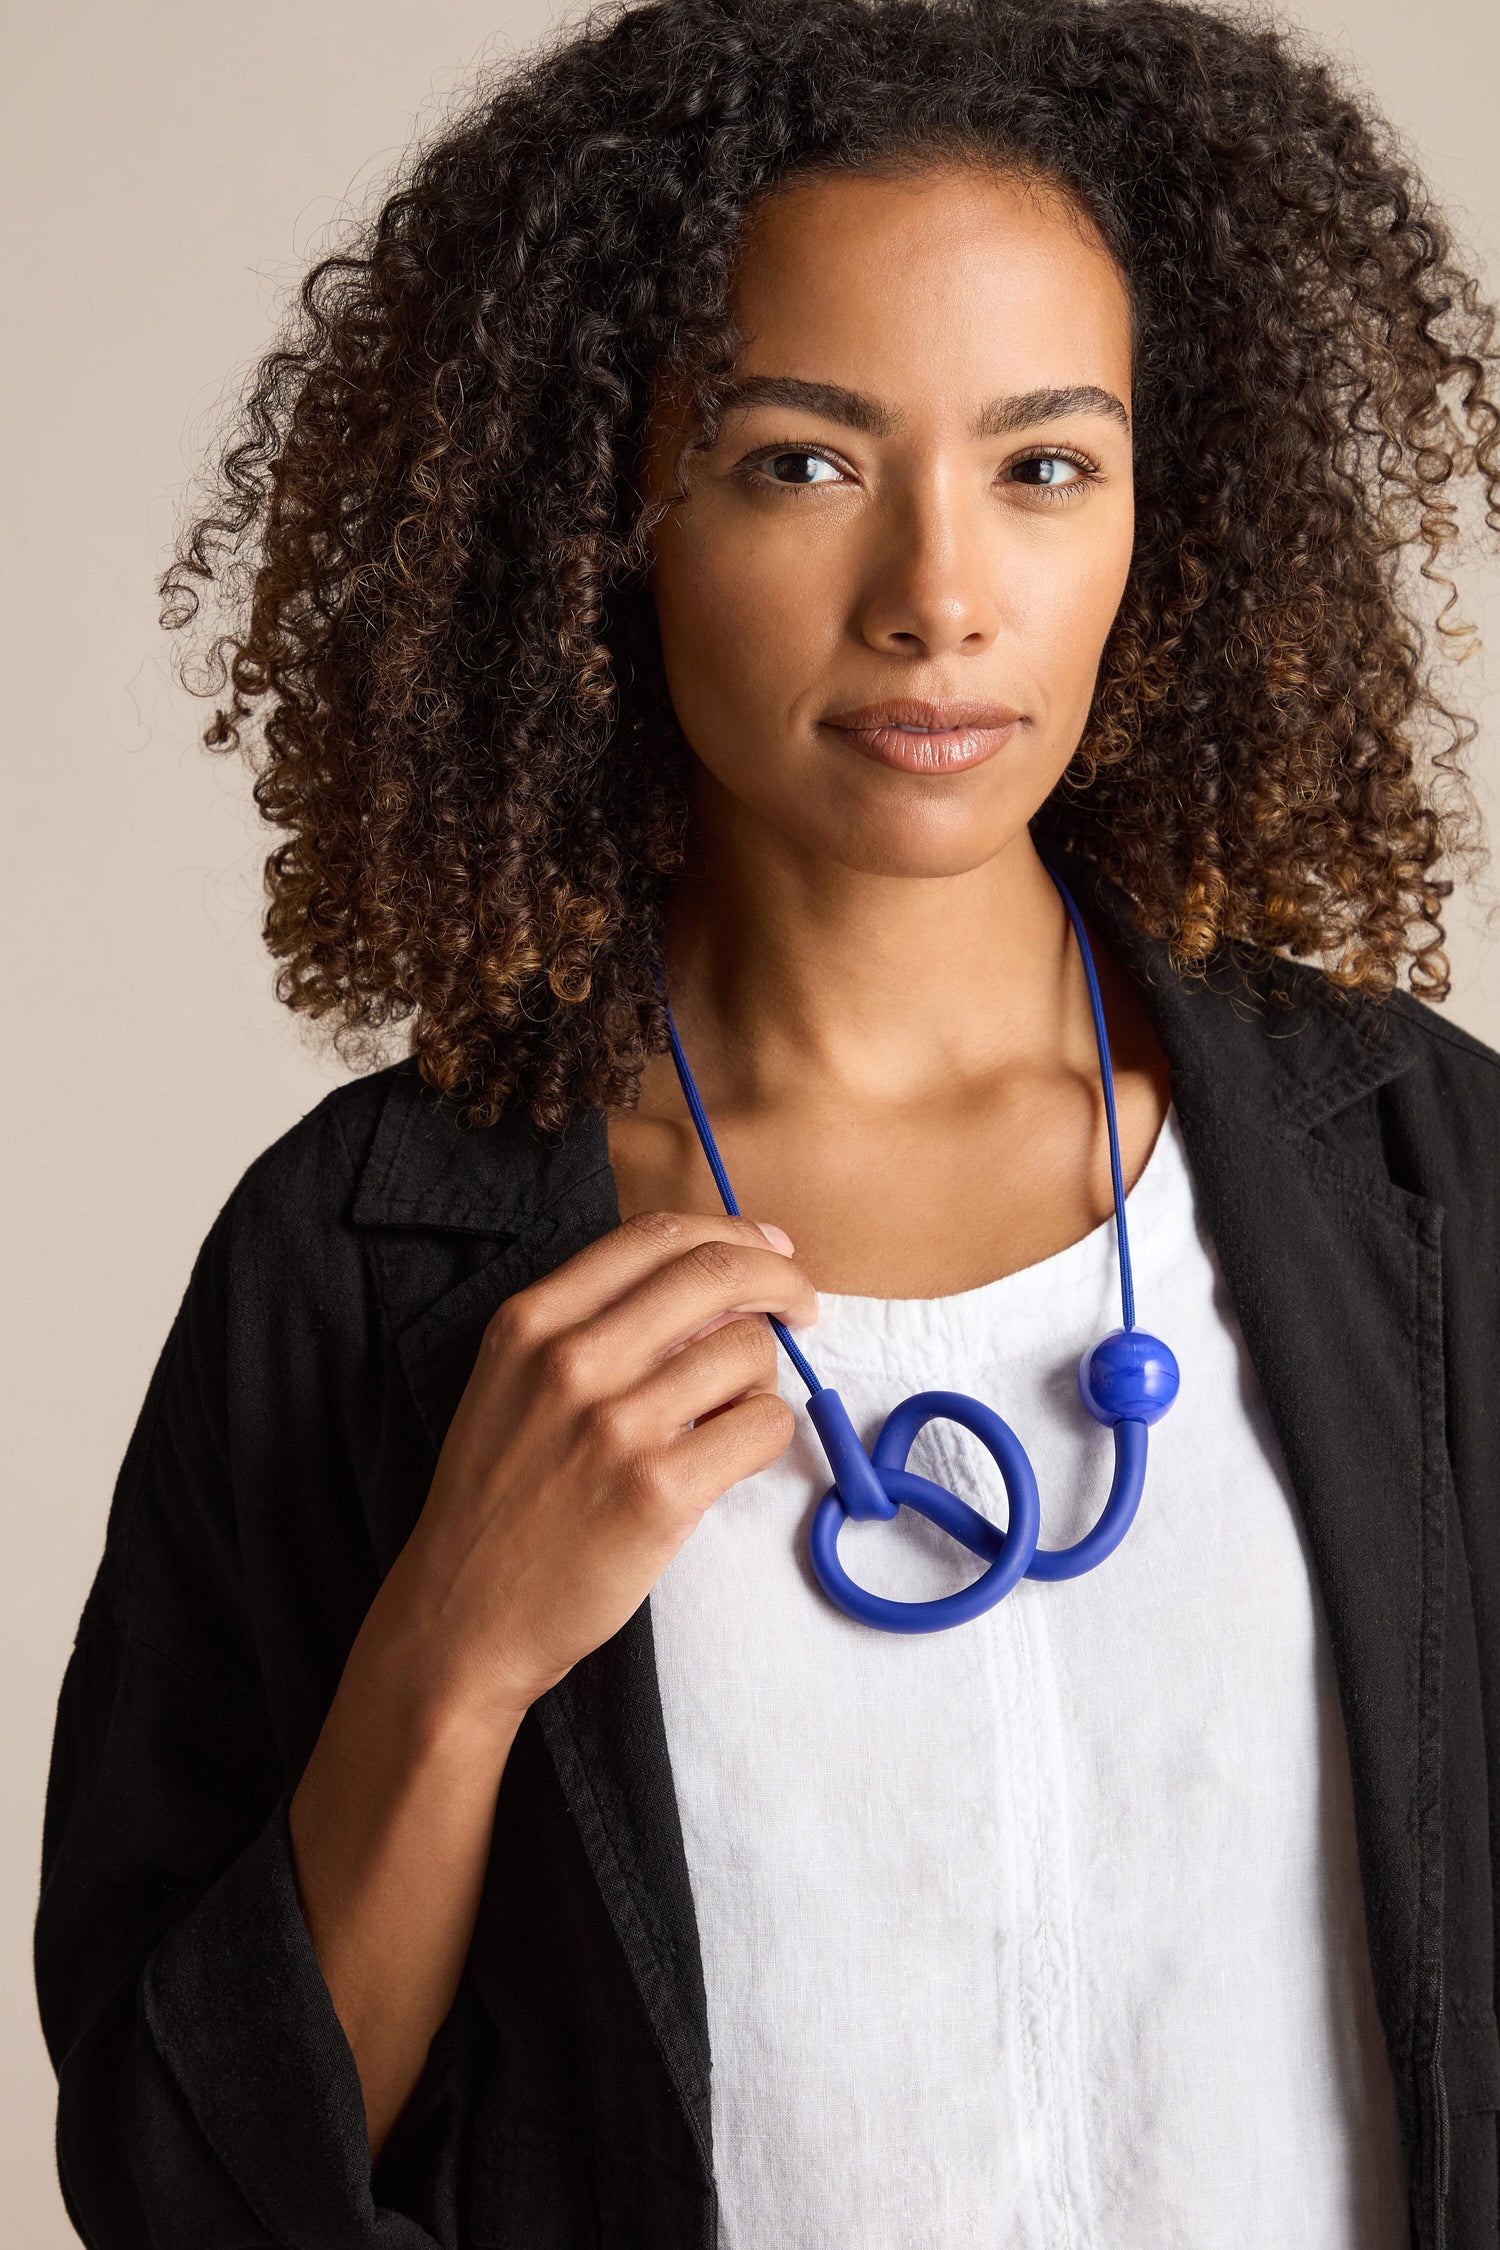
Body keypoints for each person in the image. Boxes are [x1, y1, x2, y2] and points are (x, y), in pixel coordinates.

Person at [34, 0, 1500, 2243]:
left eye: (1046, 464)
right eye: (797, 460)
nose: (937, 593)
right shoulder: (363, 1256)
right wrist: (451, 1656)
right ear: (604, 516)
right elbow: (184, 2180)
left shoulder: (1430, 1176)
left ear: (1161, 527)